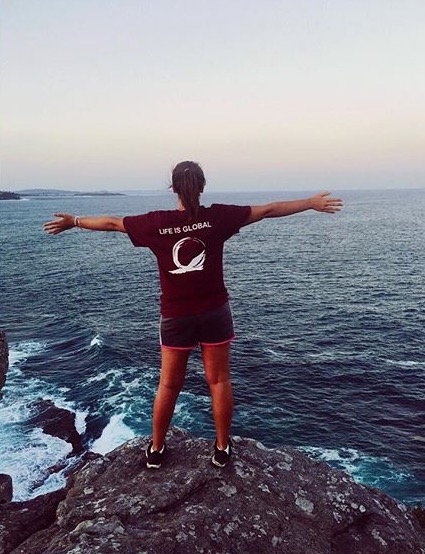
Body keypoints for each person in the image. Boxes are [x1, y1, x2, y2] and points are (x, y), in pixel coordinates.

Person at [43, 160, 343, 469]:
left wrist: (74, 221)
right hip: (215, 312)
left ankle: (157, 449)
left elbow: (112, 224)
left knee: (169, 385)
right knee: (219, 380)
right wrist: (310, 203)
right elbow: (267, 210)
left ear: (173, 187)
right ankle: (223, 448)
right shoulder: (218, 218)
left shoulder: (155, 223)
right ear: (201, 187)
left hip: (176, 316)